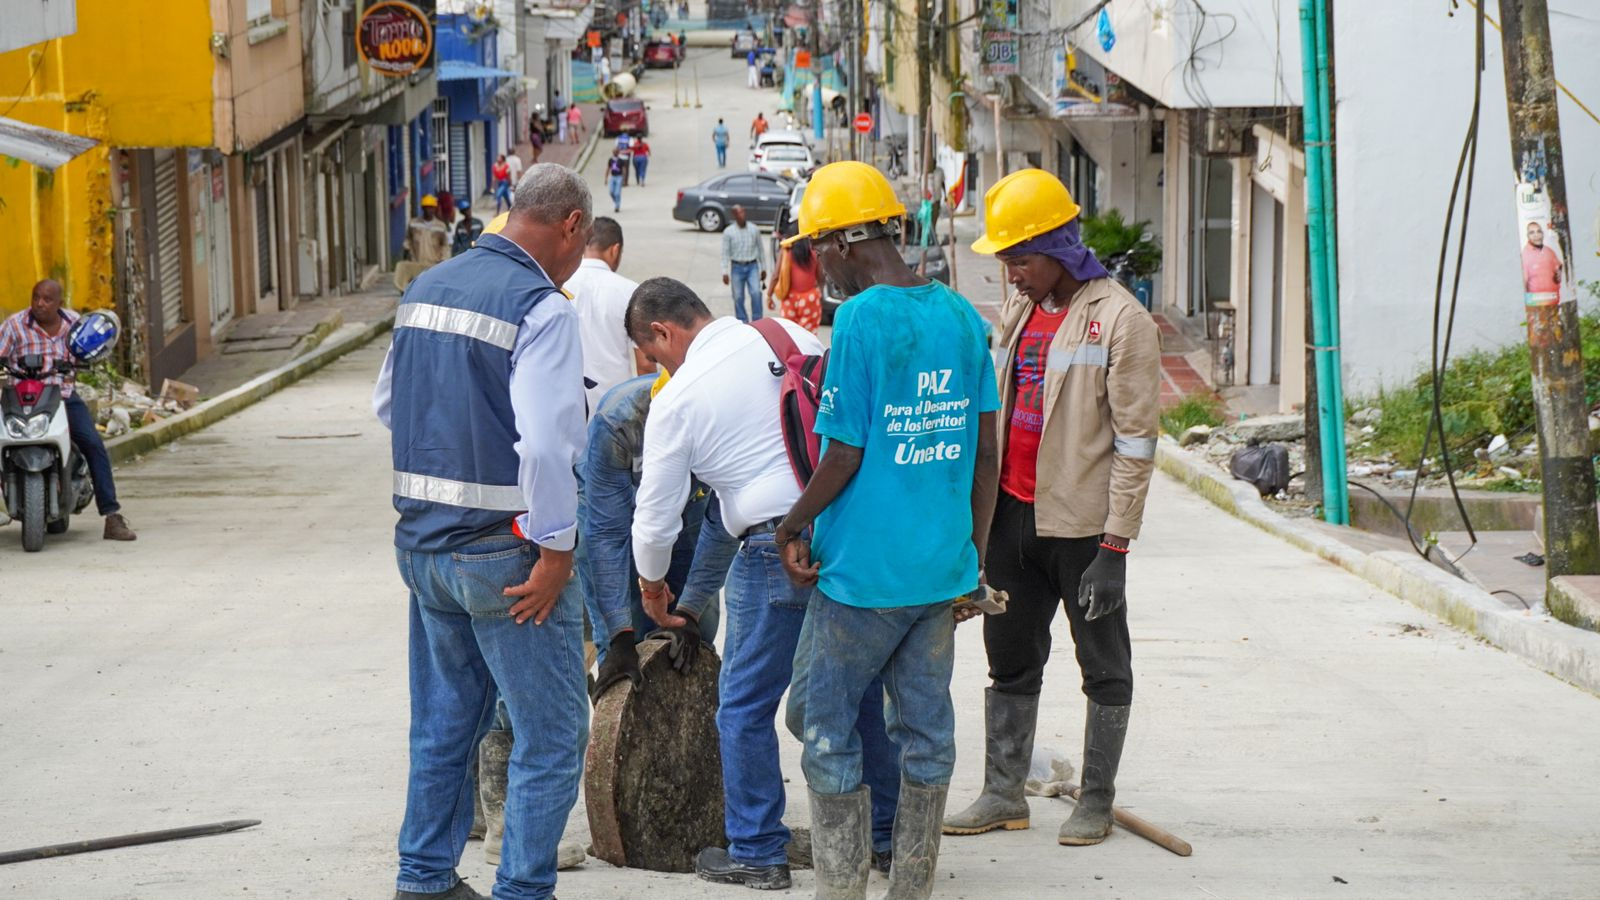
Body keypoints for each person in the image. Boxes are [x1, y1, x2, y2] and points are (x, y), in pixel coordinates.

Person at [625, 277, 901, 891]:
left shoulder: (679, 397)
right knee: (858, 691)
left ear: (664, 332)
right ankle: (887, 838)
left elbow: (655, 518)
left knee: (745, 706)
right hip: (845, 534)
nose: (658, 366)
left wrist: (653, 587)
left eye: (653, 352)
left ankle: (756, 850)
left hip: (771, 549)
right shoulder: (785, 332)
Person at [773, 161, 999, 900]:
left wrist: (794, 522)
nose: (816, 269)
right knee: (925, 731)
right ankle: (911, 888)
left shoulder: (863, 320)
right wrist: (973, 561)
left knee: (824, 728)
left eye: (813, 252)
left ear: (838, 244)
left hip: (864, 579)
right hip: (938, 574)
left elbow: (844, 452)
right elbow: (986, 457)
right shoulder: (964, 318)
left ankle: (842, 888)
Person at [372, 162, 594, 900]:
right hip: (505, 556)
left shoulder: (425, 290)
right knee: (554, 736)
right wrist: (558, 551)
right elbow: (546, 446)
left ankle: (424, 880)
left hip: (423, 550)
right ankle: (523, 891)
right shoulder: (542, 308)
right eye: (583, 240)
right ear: (569, 226)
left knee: (444, 727)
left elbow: (388, 406)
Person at [942, 168, 1159, 849]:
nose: (1011, 274)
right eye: (1005, 260)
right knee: (1008, 656)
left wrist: (1115, 549)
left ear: (1060, 246)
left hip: (1083, 527)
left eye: (1021, 258)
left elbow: (1135, 444)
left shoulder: (1122, 319)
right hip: (1013, 517)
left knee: (1104, 664)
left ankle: (1095, 800)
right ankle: (1004, 793)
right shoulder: (1022, 311)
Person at [582, 370, 735, 689]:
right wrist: (619, 634)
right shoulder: (619, 422)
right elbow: (608, 538)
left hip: (690, 514)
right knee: (627, 647)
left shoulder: (729, 423)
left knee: (695, 639)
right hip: (613, 519)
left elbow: (725, 524)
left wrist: (689, 611)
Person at [0, 279, 137, 541]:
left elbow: (92, 350)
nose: (40, 303)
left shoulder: (75, 325)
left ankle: (112, 516)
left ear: (59, 303)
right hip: (20, 399)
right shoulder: (15, 325)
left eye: (47, 299)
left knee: (93, 444)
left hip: (61, 398)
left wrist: (86, 361)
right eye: (36, 297)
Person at [562, 216, 652, 411]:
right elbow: (645, 364)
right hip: (616, 406)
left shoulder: (561, 285)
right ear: (615, 249)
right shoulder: (630, 291)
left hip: (570, 402)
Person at [720, 206, 768, 323]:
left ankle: (757, 320)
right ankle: (742, 321)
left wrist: (763, 268)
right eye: (739, 213)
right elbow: (725, 253)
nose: (742, 215)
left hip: (752, 266)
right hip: (737, 267)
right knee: (738, 296)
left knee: (756, 292)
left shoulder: (754, 229)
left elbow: (760, 249)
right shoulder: (728, 232)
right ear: (734, 216)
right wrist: (725, 272)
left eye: (743, 212)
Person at [766, 233, 821, 332]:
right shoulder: (814, 250)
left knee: (790, 334)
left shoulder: (786, 251)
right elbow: (821, 275)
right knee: (807, 336)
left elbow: (775, 276)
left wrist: (769, 295)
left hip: (789, 299)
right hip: (810, 298)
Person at [405, 195, 450, 267]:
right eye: (426, 207)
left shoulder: (440, 226)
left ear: (434, 208)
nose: (428, 210)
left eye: (431, 207)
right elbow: (408, 240)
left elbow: (445, 245)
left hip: (434, 265)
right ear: (422, 208)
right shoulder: (413, 224)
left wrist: (443, 260)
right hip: (416, 264)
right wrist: (407, 252)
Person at [1523, 221, 1563, 296]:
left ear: (1543, 234)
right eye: (1532, 233)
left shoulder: (1549, 251)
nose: (1536, 235)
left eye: (1539, 231)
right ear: (1528, 236)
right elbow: (1523, 283)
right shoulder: (1525, 255)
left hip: (1554, 300)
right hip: (1536, 303)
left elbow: (1559, 266)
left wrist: (1559, 272)